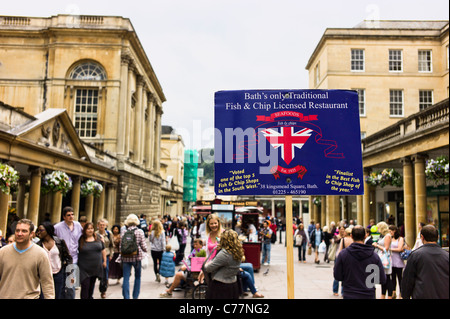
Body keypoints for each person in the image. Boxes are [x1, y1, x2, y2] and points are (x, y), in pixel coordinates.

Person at [0, 219, 55, 299]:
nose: (19, 234)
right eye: (17, 230)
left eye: (24, 231)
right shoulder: (3, 252)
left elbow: (47, 282)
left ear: (31, 234)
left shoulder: (40, 254)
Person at [333, 225, 387, 299]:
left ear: (351, 236)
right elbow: (382, 279)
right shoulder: (374, 256)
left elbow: (337, 275)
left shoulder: (343, 255)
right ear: (365, 236)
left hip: (350, 294)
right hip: (368, 294)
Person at [401, 225, 449, 299]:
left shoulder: (415, 255)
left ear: (422, 237)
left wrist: (405, 296)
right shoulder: (447, 256)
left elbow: (408, 280)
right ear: (438, 237)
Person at [36, 221, 73, 299]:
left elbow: (68, 257)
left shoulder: (59, 242)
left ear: (48, 230)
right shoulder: (38, 245)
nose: (39, 233)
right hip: (43, 275)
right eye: (38, 230)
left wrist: (69, 273)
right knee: (43, 296)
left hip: (58, 273)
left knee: (58, 295)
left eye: (41, 230)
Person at [204, 229, 243, 299]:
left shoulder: (225, 254)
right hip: (233, 284)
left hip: (220, 285)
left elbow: (208, 268)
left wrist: (206, 264)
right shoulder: (238, 252)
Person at [54, 206, 83, 299]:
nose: (71, 216)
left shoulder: (78, 225)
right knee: (62, 282)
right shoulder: (57, 227)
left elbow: (83, 237)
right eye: (68, 215)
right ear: (64, 217)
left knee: (71, 283)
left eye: (72, 214)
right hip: (61, 258)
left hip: (74, 258)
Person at [120, 213, 148, 299]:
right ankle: (135, 296)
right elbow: (143, 246)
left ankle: (126, 297)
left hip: (125, 257)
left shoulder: (124, 232)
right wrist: (145, 251)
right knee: (137, 277)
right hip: (137, 257)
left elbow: (121, 246)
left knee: (126, 278)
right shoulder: (140, 232)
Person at [78, 222, 106, 299]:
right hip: (84, 268)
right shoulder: (81, 239)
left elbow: (103, 249)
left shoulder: (98, 238)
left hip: (95, 267)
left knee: (91, 286)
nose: (90, 230)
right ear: (85, 230)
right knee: (85, 286)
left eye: (92, 228)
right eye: (88, 229)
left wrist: (104, 261)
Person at [373, 221, 393, 299]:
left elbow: (386, 249)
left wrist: (377, 245)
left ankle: (389, 296)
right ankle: (383, 295)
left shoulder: (387, 236)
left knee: (387, 277)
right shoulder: (382, 236)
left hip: (385, 259)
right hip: (382, 258)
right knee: (383, 277)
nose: (377, 229)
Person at [96, 218, 113, 298]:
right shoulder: (95, 234)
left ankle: (103, 291)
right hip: (96, 256)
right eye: (100, 225)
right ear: (98, 226)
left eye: (103, 225)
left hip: (105, 255)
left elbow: (111, 245)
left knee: (105, 273)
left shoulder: (109, 234)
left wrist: (111, 255)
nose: (102, 226)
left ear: (106, 226)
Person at [389, 225, 405, 299]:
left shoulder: (400, 238)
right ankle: (393, 292)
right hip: (391, 260)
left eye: (390, 231)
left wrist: (389, 249)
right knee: (393, 277)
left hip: (398, 260)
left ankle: (401, 293)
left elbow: (399, 248)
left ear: (394, 231)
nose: (390, 233)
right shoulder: (390, 238)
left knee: (400, 277)